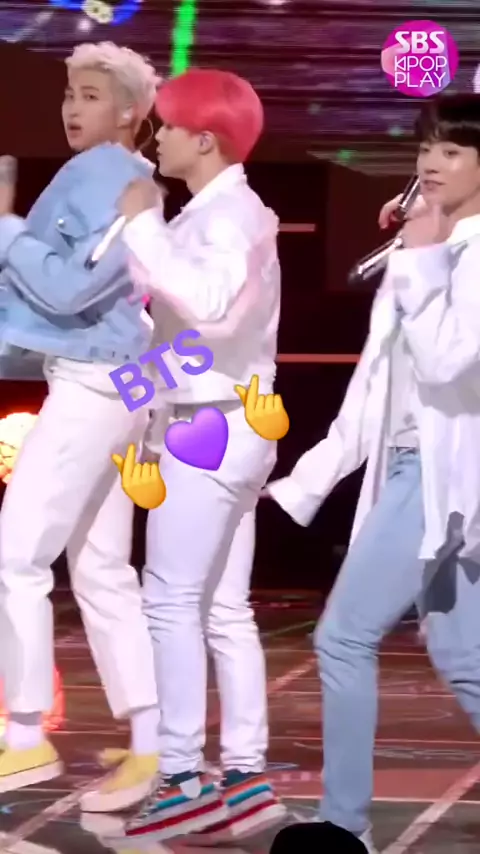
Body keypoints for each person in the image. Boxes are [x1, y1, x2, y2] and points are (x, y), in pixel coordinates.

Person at [266, 93, 480, 853]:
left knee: (343, 637)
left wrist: (421, 258)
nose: (432, 162)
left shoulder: (466, 253)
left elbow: (447, 360)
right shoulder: (429, 244)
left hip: (443, 478)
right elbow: (376, 384)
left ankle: (342, 825)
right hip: (415, 467)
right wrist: (311, 476)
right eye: (427, 147)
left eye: (453, 150)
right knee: (462, 654)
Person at [106, 67, 286, 846]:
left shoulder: (228, 219)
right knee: (220, 608)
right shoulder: (221, 215)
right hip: (226, 419)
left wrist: (141, 224)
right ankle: (243, 777)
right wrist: (120, 388)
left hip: (209, 429)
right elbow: (191, 343)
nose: (159, 139)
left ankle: (183, 780)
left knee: (173, 602)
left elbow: (207, 313)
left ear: (205, 139)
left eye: (170, 126)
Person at [0, 42, 161, 812]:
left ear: (130, 111)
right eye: (71, 93)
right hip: (111, 380)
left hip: (97, 383)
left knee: (17, 555)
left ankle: (26, 733)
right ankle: (151, 741)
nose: (73, 107)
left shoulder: (114, 180)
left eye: (91, 95)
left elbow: (68, 292)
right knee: (100, 569)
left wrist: (5, 231)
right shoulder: (109, 176)